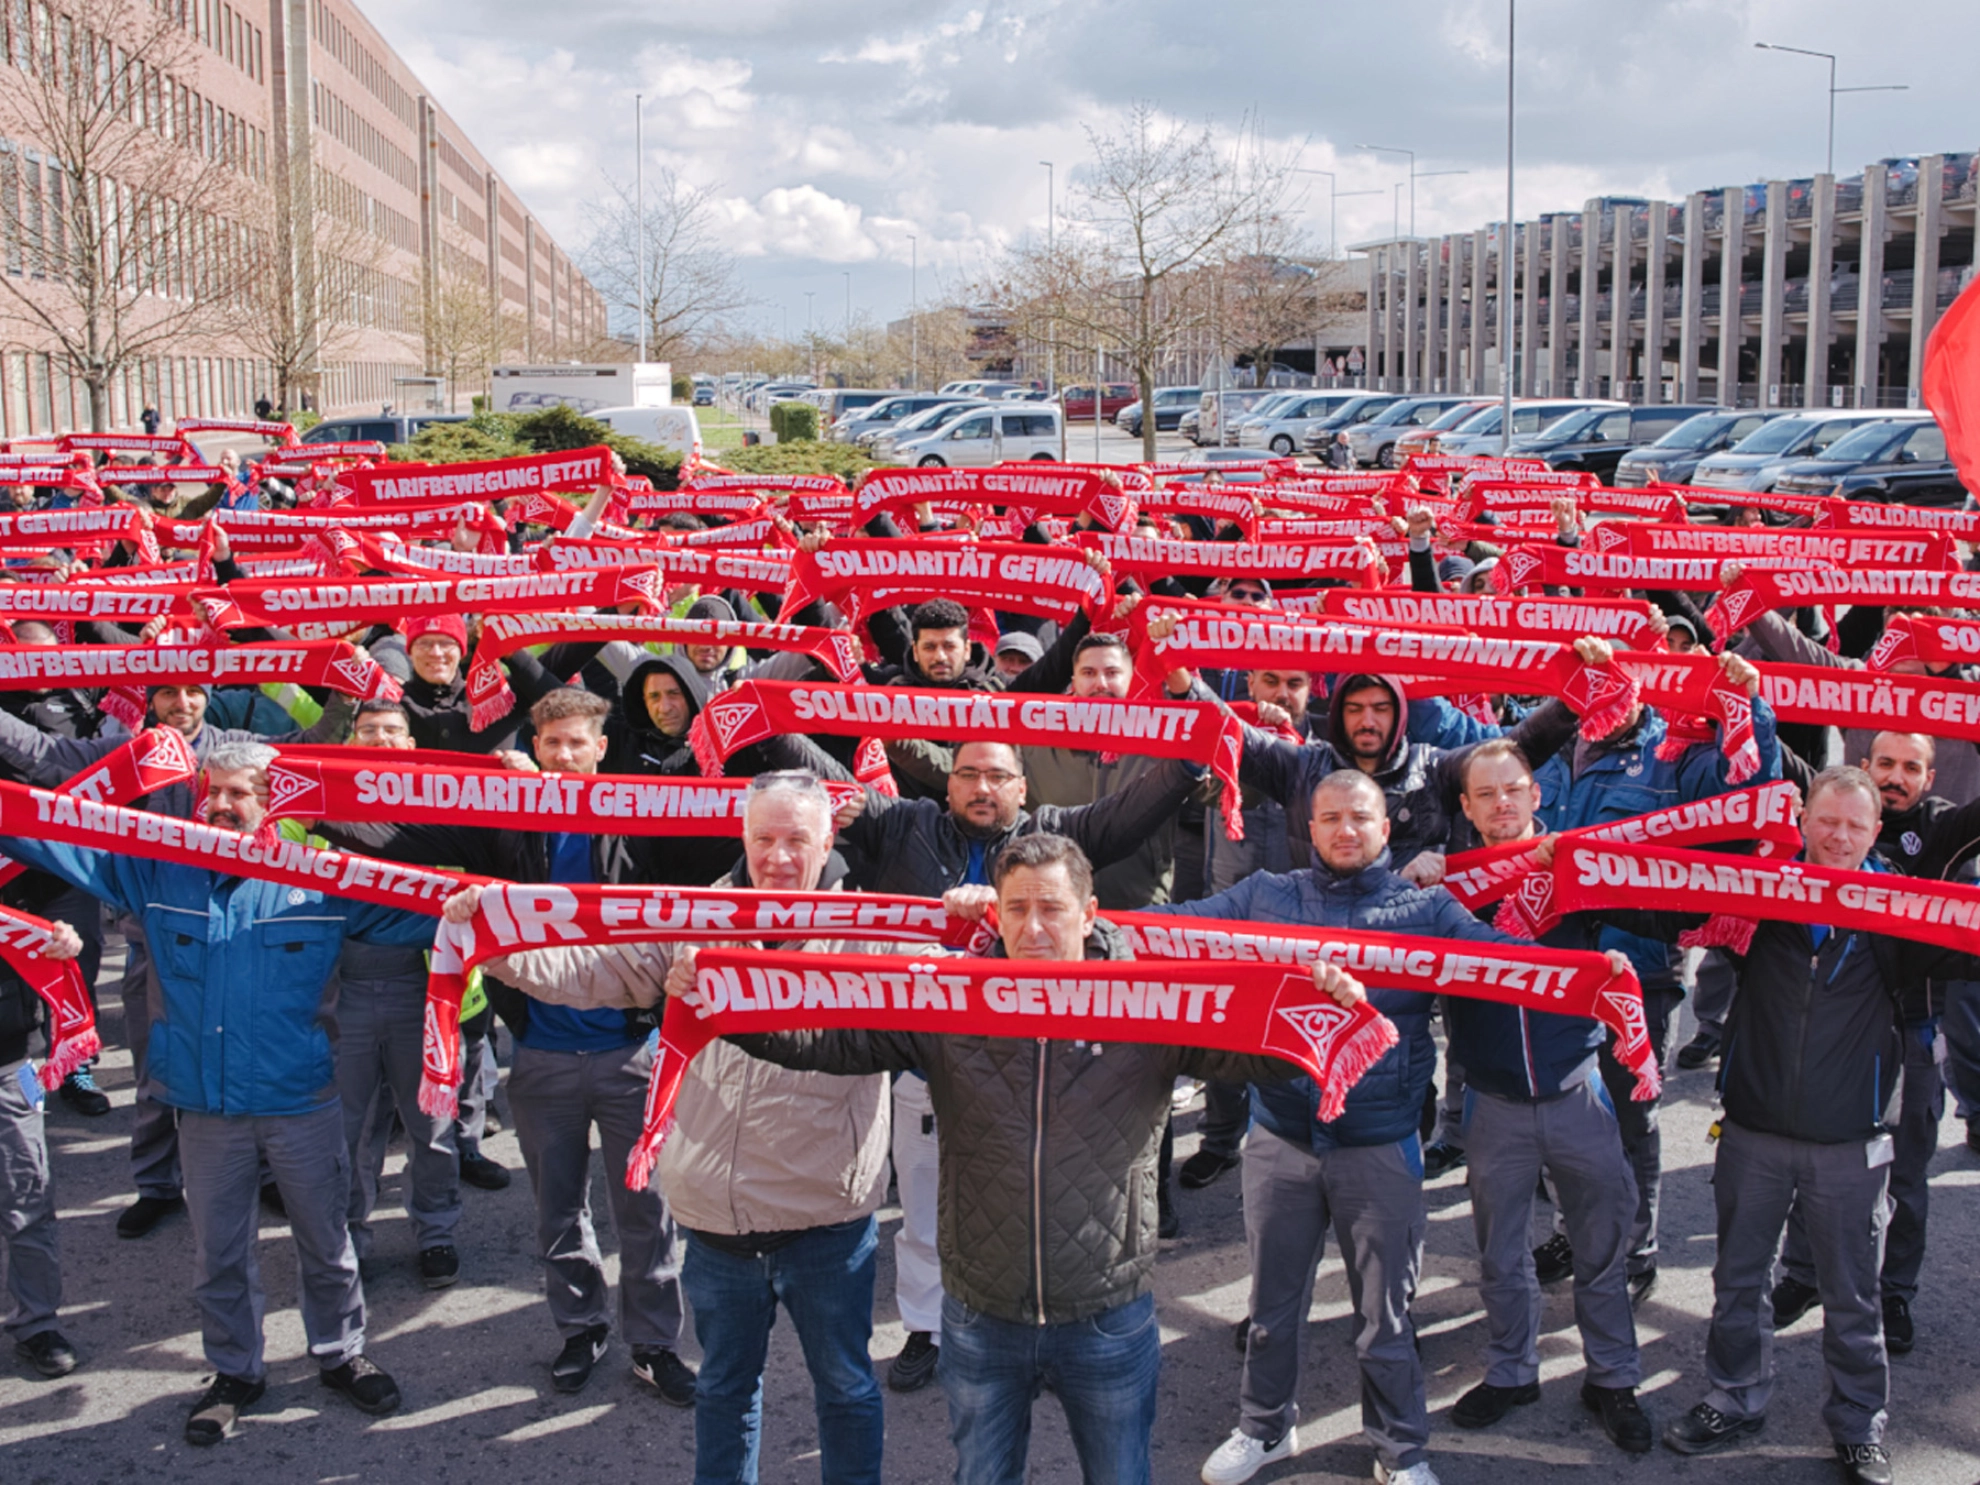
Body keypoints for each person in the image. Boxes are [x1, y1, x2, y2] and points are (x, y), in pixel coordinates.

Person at [705, 832, 1320, 1485]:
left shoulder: (1151, 1002)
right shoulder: (951, 997)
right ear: (994, 913)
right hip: (981, 1315)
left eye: (1052, 908)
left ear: (1089, 914)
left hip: (1106, 1315)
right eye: (1016, 908)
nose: (1033, 927)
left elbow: (1259, 1051)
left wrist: (1325, 1003)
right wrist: (720, 1001)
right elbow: (827, 1040)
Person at [1148, 771, 1641, 1485]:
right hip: (1282, 1138)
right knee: (1270, 1307)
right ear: (1309, 829)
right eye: (1330, 818)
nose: (1345, 830)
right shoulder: (1266, 895)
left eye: (1360, 817)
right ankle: (1263, 1427)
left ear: (1386, 827)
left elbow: (1503, 960)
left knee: (1385, 1319)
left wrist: (1587, 971)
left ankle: (1400, 1448)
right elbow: (1178, 928)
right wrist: (1085, 926)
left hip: (1380, 1143)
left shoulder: (1427, 904)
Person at [446, 772, 895, 1485]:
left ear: (828, 838)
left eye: (796, 840)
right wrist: (494, 943)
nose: (777, 857)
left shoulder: (874, 933)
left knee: (845, 1388)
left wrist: (976, 919)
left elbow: (948, 994)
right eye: (763, 839)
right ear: (743, 837)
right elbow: (592, 967)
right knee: (723, 1391)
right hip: (715, 1219)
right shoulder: (695, 917)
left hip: (826, 1221)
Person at [2, 742, 423, 1443]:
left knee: (327, 1242)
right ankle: (235, 1370)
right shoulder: (155, 868)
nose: (223, 806)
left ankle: (341, 1353)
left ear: (271, 803)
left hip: (301, 1102)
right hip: (203, 1109)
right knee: (220, 1253)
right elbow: (52, 836)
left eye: (239, 794)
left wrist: (475, 893)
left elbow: (426, 911)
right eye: (214, 792)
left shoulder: (320, 880)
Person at [1594, 766, 1980, 1485]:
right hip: (1753, 1129)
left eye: (1854, 826)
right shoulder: (1758, 895)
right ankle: (1733, 1395)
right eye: (1826, 821)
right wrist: (1575, 867)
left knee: (1852, 1291)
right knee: (1739, 1279)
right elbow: (1664, 902)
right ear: (1805, 823)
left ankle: (1860, 1420)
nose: (1838, 837)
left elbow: (1963, 898)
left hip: (1850, 1140)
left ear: (1875, 835)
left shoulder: (1900, 910)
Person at [833, 737, 1205, 1393]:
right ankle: (926, 1327)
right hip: (934, 1066)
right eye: (968, 774)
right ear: (947, 786)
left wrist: (1192, 755)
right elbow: (816, 774)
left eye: (997, 776)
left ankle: (1056, 1336)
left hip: (1050, 1074)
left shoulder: (1055, 833)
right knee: (924, 1205)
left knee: (1047, 1204)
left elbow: (1126, 814)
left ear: (1022, 788)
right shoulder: (904, 823)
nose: (982, 787)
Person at [0, 673, 354, 1242]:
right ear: (149, 698)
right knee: (157, 1071)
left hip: (247, 935)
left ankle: (265, 1174)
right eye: (167, 691)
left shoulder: (237, 749)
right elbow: (43, 764)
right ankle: (156, 1185)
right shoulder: (124, 753)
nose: (182, 703)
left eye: (193, 691)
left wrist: (344, 686)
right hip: (155, 937)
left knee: (254, 1054)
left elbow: (319, 744)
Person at [1429, 741, 1649, 1452]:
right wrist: (1410, 880)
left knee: (1602, 1245)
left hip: (1576, 1091)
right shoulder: (1447, 889)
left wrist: (1615, 960)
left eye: (1514, 789)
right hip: (1492, 1102)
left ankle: (1612, 1376)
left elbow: (1661, 911)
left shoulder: (1572, 868)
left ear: (1536, 795)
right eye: (1485, 794)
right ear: (1466, 807)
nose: (1502, 804)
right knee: (1501, 1254)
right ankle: (1512, 1368)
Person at [1549, 639, 1777, 1307]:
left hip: (1637, 972)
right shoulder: (1550, 743)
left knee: (1629, 1118)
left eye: (1610, 680)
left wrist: (1748, 705)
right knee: (1562, 1118)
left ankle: (1633, 1245)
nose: (1598, 696)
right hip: (1556, 969)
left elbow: (1744, 786)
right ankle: (1571, 1228)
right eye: (1585, 682)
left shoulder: (1673, 751)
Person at [1770, 731, 1980, 1357]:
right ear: (1863, 767)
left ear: (1930, 777)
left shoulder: (1940, 832)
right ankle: (1802, 1276)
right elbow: (1776, 753)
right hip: (1826, 1030)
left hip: (1909, 1030)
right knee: (1811, 1158)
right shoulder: (1837, 809)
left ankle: (1894, 1292)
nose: (1896, 777)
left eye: (1911, 768)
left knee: (1904, 1173)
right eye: (1884, 763)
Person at [0, 910, 83, 1381]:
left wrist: (64, 936)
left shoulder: (12, 858)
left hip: (9, 1064)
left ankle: (38, 1324)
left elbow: (56, 919)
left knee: (28, 1200)